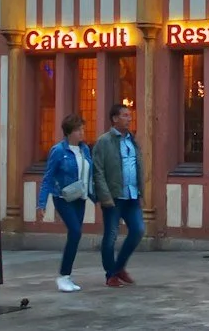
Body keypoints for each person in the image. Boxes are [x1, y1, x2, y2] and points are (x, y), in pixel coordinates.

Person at [90, 103, 145, 287]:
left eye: (130, 115)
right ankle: (110, 274)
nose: (129, 119)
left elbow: (137, 166)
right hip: (113, 197)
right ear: (114, 119)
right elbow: (98, 170)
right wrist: (104, 196)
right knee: (111, 235)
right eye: (125, 115)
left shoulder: (132, 140)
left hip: (131, 195)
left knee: (138, 230)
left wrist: (141, 190)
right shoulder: (104, 141)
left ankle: (119, 266)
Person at [40, 113, 94, 293]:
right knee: (76, 231)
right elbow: (48, 177)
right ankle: (63, 276)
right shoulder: (58, 151)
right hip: (63, 197)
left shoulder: (85, 149)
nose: (82, 133)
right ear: (70, 132)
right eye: (79, 130)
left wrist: (96, 195)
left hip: (80, 197)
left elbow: (89, 174)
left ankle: (67, 276)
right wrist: (42, 203)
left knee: (75, 236)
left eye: (82, 129)